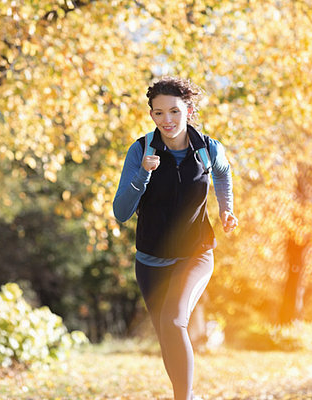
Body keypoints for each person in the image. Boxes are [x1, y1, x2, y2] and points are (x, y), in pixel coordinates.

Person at [112, 76, 237, 400]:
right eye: (158, 113)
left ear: (189, 110)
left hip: (195, 253)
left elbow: (223, 173)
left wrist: (226, 209)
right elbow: (121, 212)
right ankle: (185, 395)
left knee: (174, 320)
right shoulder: (140, 150)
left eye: (174, 112)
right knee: (167, 334)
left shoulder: (208, 148)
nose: (167, 120)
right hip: (150, 261)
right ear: (151, 115)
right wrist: (143, 173)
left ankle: (184, 398)